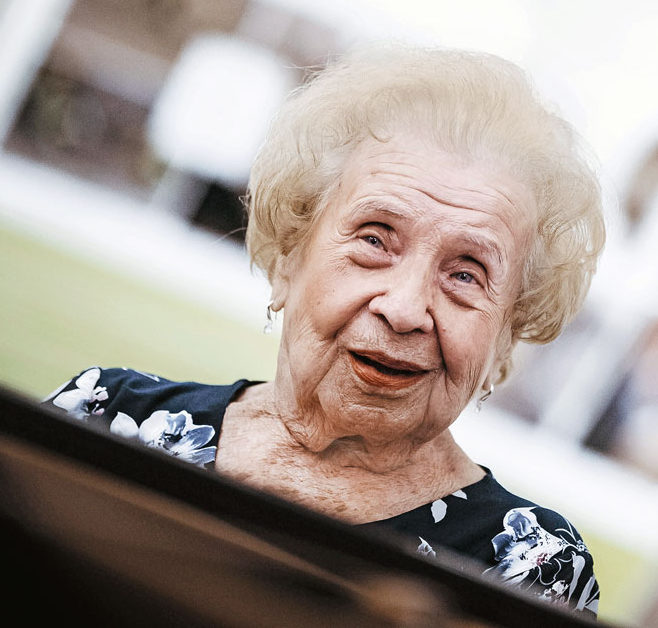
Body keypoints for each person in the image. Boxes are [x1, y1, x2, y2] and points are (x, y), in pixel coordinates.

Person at [44, 45, 606, 615]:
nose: (404, 310)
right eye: (374, 239)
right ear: (290, 256)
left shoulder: (531, 569)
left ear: (505, 338)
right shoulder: (107, 416)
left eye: (466, 274)